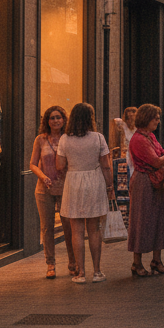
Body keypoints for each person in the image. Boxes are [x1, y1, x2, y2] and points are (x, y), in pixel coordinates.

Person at [56, 103, 112, 284]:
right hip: (94, 181)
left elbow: (59, 166)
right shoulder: (98, 138)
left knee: (76, 231)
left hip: (73, 182)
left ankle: (80, 273)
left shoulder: (65, 139)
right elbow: (106, 165)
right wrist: (109, 186)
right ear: (91, 118)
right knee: (94, 229)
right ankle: (97, 271)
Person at [128, 104, 164, 277]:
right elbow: (156, 161)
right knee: (142, 220)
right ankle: (136, 263)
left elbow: (162, 154)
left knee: (159, 219)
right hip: (144, 182)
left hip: (156, 181)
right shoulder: (138, 139)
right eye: (156, 118)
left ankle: (156, 260)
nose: (158, 121)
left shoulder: (150, 136)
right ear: (146, 118)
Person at [29, 104, 76, 279]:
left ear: (64, 120)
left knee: (69, 227)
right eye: (52, 118)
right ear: (47, 121)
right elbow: (32, 164)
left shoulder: (69, 138)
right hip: (44, 189)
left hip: (65, 188)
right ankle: (50, 264)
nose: (55, 120)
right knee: (47, 228)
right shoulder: (40, 139)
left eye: (58, 117)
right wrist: (42, 176)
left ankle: (73, 262)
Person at [112, 106, 137, 171]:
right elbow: (115, 120)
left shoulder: (138, 129)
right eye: (128, 118)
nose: (130, 121)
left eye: (133, 118)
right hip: (125, 154)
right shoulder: (123, 126)